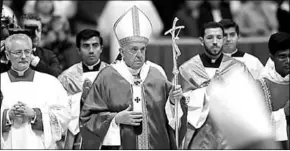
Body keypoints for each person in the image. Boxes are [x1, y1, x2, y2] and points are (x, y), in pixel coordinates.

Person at [80, 6, 187, 149]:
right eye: (134, 49)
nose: (139, 54)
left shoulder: (157, 74)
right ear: (121, 51)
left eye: (143, 49)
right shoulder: (106, 77)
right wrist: (116, 119)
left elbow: (172, 122)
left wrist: (173, 102)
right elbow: (88, 119)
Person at [179, 22, 253, 149]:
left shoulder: (238, 69)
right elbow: (179, 104)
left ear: (224, 40)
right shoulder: (187, 69)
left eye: (219, 37)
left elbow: (250, 101)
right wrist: (204, 92)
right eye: (209, 38)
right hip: (199, 137)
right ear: (201, 41)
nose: (215, 42)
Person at [0, 34, 71, 149]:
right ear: (7, 55)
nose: (23, 56)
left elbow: (64, 116)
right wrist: (7, 116)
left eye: (27, 52)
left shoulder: (50, 82)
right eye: (18, 52)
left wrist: (35, 115)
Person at [58, 29, 109, 149]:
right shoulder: (67, 77)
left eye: (95, 45)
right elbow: (60, 109)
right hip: (78, 135)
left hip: (107, 133)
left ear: (101, 48)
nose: (91, 51)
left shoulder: (113, 74)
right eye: (86, 46)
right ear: (78, 50)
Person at [257, 32, 290, 149]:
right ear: (272, 58)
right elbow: (256, 126)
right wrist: (283, 113)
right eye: (282, 56)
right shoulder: (261, 86)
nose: (288, 60)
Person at [18, 13, 62, 77]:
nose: (36, 35)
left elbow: (58, 76)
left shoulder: (48, 55)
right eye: (31, 30)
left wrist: (34, 61)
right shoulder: (8, 53)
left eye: (38, 30)